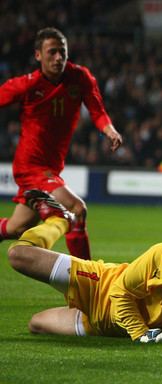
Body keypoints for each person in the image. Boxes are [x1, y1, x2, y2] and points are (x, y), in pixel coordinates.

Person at [7, 189, 162, 345]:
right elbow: (120, 292)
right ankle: (58, 221)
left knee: (35, 324)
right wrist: (141, 334)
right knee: (18, 255)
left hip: (101, 326)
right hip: (100, 286)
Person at [0, 27, 123, 260]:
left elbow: (98, 111)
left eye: (62, 52)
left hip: (51, 166)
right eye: (52, 52)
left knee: (17, 228)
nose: (58, 58)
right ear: (38, 55)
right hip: (31, 166)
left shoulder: (80, 78)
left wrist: (110, 130)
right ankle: (88, 280)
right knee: (77, 210)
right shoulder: (27, 85)